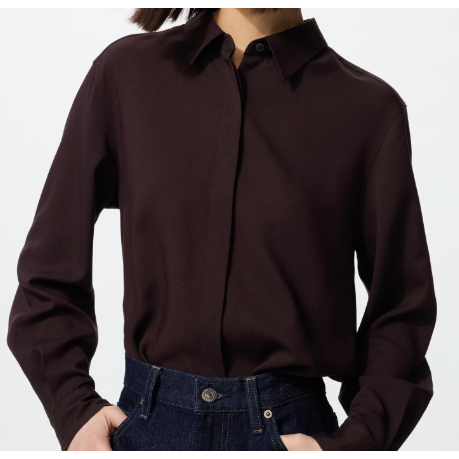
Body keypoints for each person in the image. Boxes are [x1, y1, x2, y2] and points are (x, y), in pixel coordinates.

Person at [7, 8, 437, 451]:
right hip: (143, 430)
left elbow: (402, 307)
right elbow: (48, 267)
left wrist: (352, 444)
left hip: (291, 431)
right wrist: (74, 408)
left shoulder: (367, 109)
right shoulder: (126, 75)